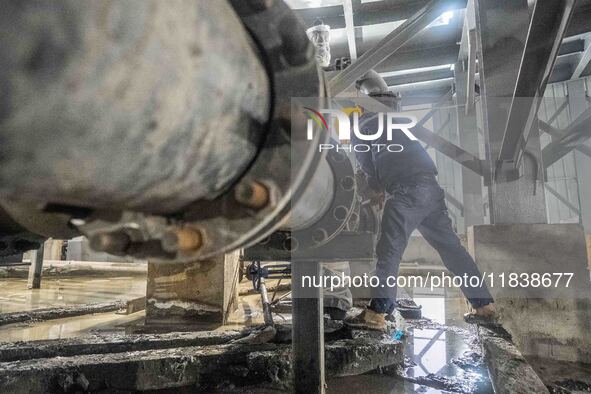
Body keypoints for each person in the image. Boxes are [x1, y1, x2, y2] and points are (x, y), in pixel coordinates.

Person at [345, 70, 495, 332]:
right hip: (430, 189)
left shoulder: (364, 124)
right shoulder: (400, 121)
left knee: (388, 251)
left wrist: (374, 191)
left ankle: (377, 313)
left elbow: (366, 166)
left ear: (361, 105)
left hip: (404, 191)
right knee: (451, 249)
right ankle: (484, 305)